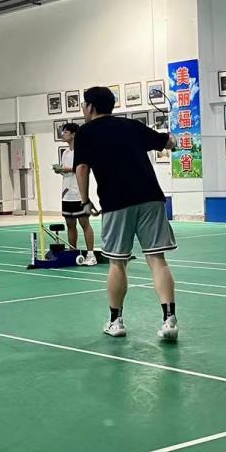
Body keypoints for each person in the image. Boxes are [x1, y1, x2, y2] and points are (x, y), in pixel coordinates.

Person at [74, 86, 179, 341]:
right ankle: (169, 320)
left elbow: (82, 168)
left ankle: (116, 321)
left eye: (84, 105)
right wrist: (171, 139)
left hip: (116, 202)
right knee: (157, 259)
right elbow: (168, 143)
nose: (83, 109)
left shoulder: (85, 132)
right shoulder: (131, 125)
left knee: (117, 262)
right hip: (151, 198)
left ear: (91, 107)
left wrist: (85, 201)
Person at [53, 123, 96, 265]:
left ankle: (91, 255)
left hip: (78, 193)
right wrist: (60, 170)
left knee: (84, 224)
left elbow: (84, 169)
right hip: (66, 194)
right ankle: (73, 252)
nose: (62, 134)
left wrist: (67, 169)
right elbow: (67, 171)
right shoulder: (65, 153)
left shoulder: (81, 151)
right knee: (70, 224)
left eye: (65, 132)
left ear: (73, 135)